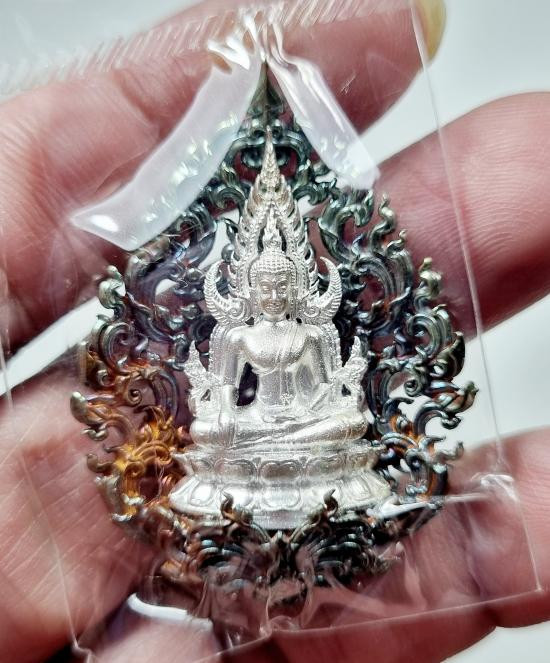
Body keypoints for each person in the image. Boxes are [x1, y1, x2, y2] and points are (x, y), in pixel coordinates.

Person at [1, 0, 549, 661]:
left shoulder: (314, 332)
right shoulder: (233, 335)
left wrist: (344, 385)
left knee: (344, 432)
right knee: (208, 446)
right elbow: (220, 405)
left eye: (283, 283)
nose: (273, 292)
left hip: (314, 444)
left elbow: (336, 398)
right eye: (262, 285)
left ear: (297, 280)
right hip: (242, 450)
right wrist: (213, 396)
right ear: (244, 284)